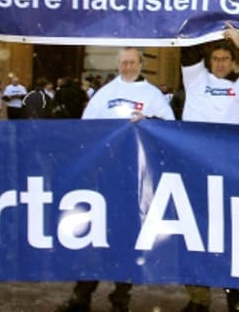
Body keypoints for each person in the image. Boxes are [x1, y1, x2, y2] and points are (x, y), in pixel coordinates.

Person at [55, 47, 174, 312]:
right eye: (124, 62)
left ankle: (120, 298)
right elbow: (88, 127)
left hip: (134, 178)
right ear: (118, 63)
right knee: (95, 235)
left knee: (125, 238)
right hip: (104, 176)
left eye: (133, 62)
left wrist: (149, 121)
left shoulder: (152, 95)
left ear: (141, 64)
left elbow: (169, 125)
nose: (128, 67)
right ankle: (82, 295)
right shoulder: (105, 93)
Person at [179, 23, 239, 312]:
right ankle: (198, 298)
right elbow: (188, 50)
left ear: (234, 62)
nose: (220, 63)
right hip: (195, 171)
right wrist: (210, 28)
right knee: (194, 234)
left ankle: (234, 297)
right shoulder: (195, 80)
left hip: (230, 174)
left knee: (230, 238)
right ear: (209, 62)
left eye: (225, 59)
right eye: (216, 59)